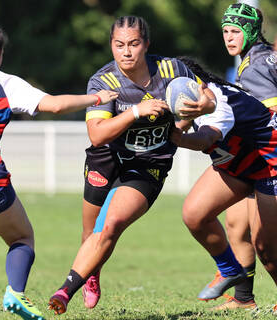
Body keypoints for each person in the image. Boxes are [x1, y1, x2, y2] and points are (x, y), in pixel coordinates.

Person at [47, 15, 217, 315]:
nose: (126, 52)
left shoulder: (172, 69)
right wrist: (136, 112)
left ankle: (64, 290)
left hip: (149, 163)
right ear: (112, 46)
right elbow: (97, 135)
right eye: (119, 45)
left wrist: (198, 109)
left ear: (146, 44)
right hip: (107, 157)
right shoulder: (103, 80)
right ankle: (92, 272)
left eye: (134, 44)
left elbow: (208, 98)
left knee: (110, 225)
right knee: (90, 233)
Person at [0, 22, 118, 320]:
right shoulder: (2, 81)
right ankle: (15, 294)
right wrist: (98, 98)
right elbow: (54, 105)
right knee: (21, 238)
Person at [170, 57, 277, 310]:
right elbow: (180, 125)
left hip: (270, 165)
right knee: (195, 214)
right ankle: (233, 279)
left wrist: (177, 139)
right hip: (239, 166)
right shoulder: (193, 98)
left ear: (197, 84)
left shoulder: (218, 102)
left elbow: (206, 138)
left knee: (267, 247)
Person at [201, 3, 277, 311]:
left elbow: (270, 115)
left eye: (236, 32)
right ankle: (244, 298)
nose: (230, 38)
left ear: (251, 33)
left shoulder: (255, 66)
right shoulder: (261, 56)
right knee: (235, 223)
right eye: (226, 32)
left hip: (266, 159)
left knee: (266, 243)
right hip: (255, 157)